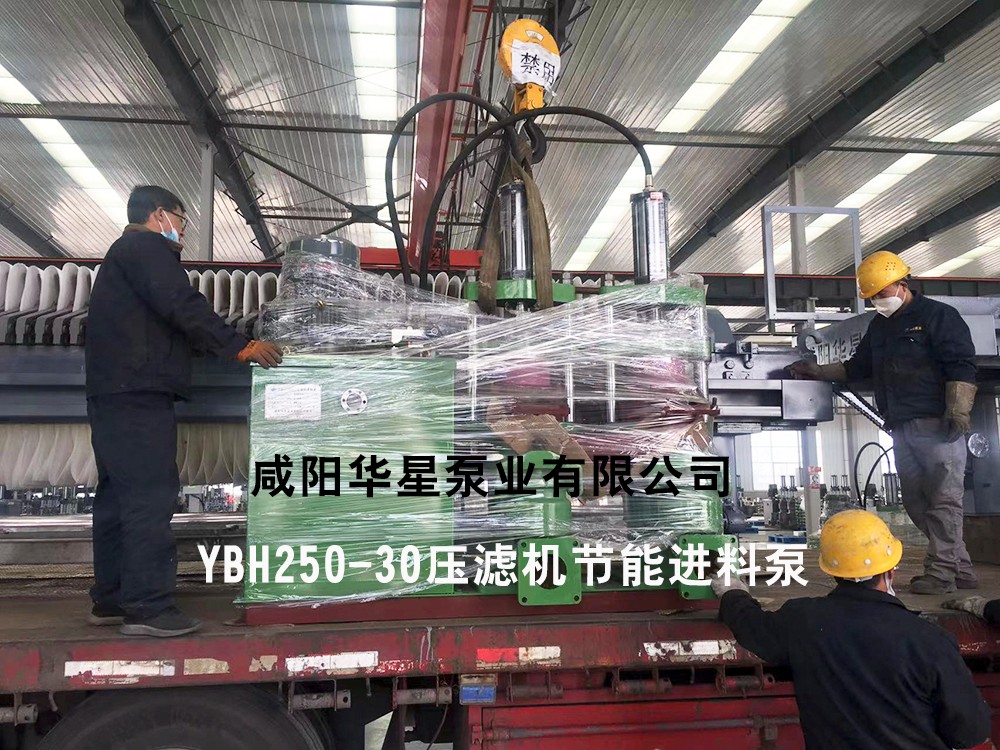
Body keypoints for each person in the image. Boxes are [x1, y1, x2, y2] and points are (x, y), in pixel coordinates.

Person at [86, 185, 283, 638]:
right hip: (138, 393)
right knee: (150, 494)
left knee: (117, 497)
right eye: (181, 220)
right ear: (159, 215)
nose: (182, 230)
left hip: (113, 392)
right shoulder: (146, 248)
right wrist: (239, 345)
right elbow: (181, 305)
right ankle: (148, 608)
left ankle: (112, 598)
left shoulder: (121, 256)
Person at [712, 510, 991, 750]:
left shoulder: (802, 621)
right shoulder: (930, 641)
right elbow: (969, 733)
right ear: (891, 571)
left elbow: (752, 627)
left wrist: (732, 592)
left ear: (832, 571)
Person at [788, 250, 977, 595]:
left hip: (937, 424)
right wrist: (817, 371)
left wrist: (958, 410)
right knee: (916, 502)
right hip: (900, 425)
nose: (878, 300)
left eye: (882, 293)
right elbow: (857, 367)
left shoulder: (938, 316)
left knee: (944, 500)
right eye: (872, 296)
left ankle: (941, 573)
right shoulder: (880, 326)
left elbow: (961, 364)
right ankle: (960, 568)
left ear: (902, 284)